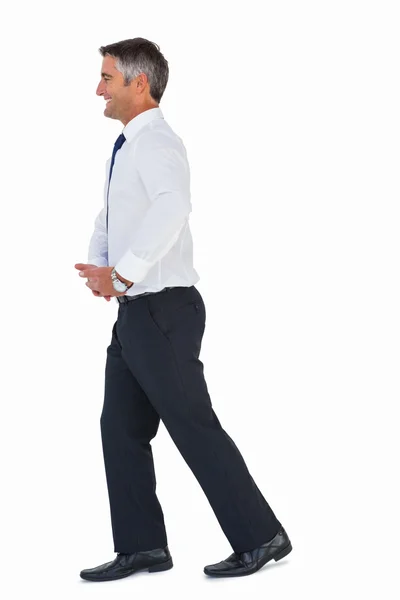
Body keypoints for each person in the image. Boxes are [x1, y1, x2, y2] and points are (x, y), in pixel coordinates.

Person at [75, 37, 292, 582]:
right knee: (119, 428)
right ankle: (143, 546)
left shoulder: (157, 142)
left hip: (163, 310)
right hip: (135, 311)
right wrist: (103, 270)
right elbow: (113, 213)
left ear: (138, 82)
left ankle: (261, 536)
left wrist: (122, 273)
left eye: (106, 77)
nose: (97, 88)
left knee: (192, 424)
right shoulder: (126, 145)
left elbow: (173, 208)